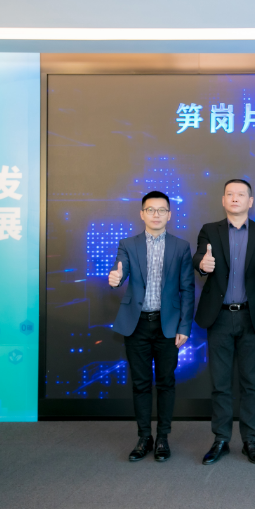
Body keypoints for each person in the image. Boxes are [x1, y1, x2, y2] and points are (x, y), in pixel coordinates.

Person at [193, 179, 255, 465]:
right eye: (229, 194)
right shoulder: (210, 230)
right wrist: (202, 264)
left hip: (251, 318)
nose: (235, 198)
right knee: (220, 383)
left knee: (250, 383)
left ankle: (250, 440)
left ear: (250, 201)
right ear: (223, 200)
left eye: (241, 194)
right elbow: (199, 256)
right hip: (218, 317)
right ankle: (221, 439)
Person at [109, 190, 195, 463]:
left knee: (166, 383)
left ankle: (163, 438)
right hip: (136, 325)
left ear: (169, 215)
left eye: (161, 210)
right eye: (150, 210)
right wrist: (115, 278)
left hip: (167, 326)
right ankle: (144, 437)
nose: (156, 214)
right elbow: (120, 272)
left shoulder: (181, 247)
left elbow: (187, 289)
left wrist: (184, 326)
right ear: (142, 213)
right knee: (141, 383)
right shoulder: (128, 244)